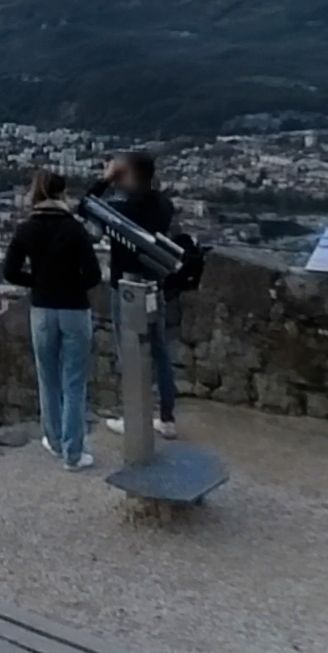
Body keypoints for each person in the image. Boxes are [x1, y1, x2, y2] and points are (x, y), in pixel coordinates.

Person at [2, 166, 101, 470]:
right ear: (62, 194)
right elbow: (94, 275)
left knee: (48, 378)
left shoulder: (27, 228)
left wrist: (39, 282)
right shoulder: (74, 229)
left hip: (42, 309)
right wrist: (70, 285)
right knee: (74, 382)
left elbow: (10, 271)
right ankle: (73, 453)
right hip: (73, 309)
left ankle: (53, 439)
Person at [100, 149, 194, 438]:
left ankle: (134, 417)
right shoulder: (162, 204)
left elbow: (85, 207)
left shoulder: (124, 210)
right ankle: (166, 417)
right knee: (159, 351)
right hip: (154, 284)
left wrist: (105, 180)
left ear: (127, 175)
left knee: (129, 352)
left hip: (126, 287)